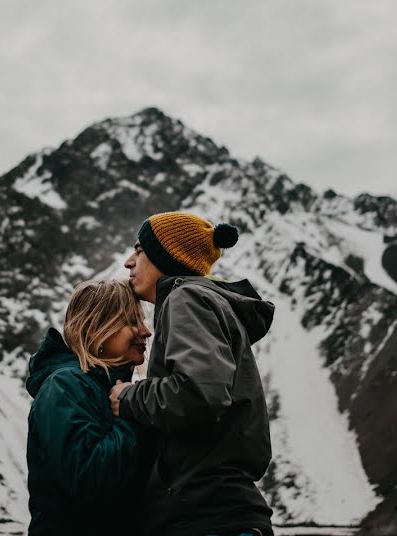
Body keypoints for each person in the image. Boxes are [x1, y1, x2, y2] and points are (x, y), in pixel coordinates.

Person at [109, 211, 276, 536]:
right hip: (220, 513)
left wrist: (127, 398)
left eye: (139, 250)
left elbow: (198, 393)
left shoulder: (186, 298)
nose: (129, 262)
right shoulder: (201, 301)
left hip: (205, 516)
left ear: (165, 255)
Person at [25, 278, 153, 536]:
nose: (145, 331)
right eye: (131, 321)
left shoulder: (106, 386)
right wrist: (131, 414)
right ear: (95, 329)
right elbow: (89, 479)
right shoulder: (65, 386)